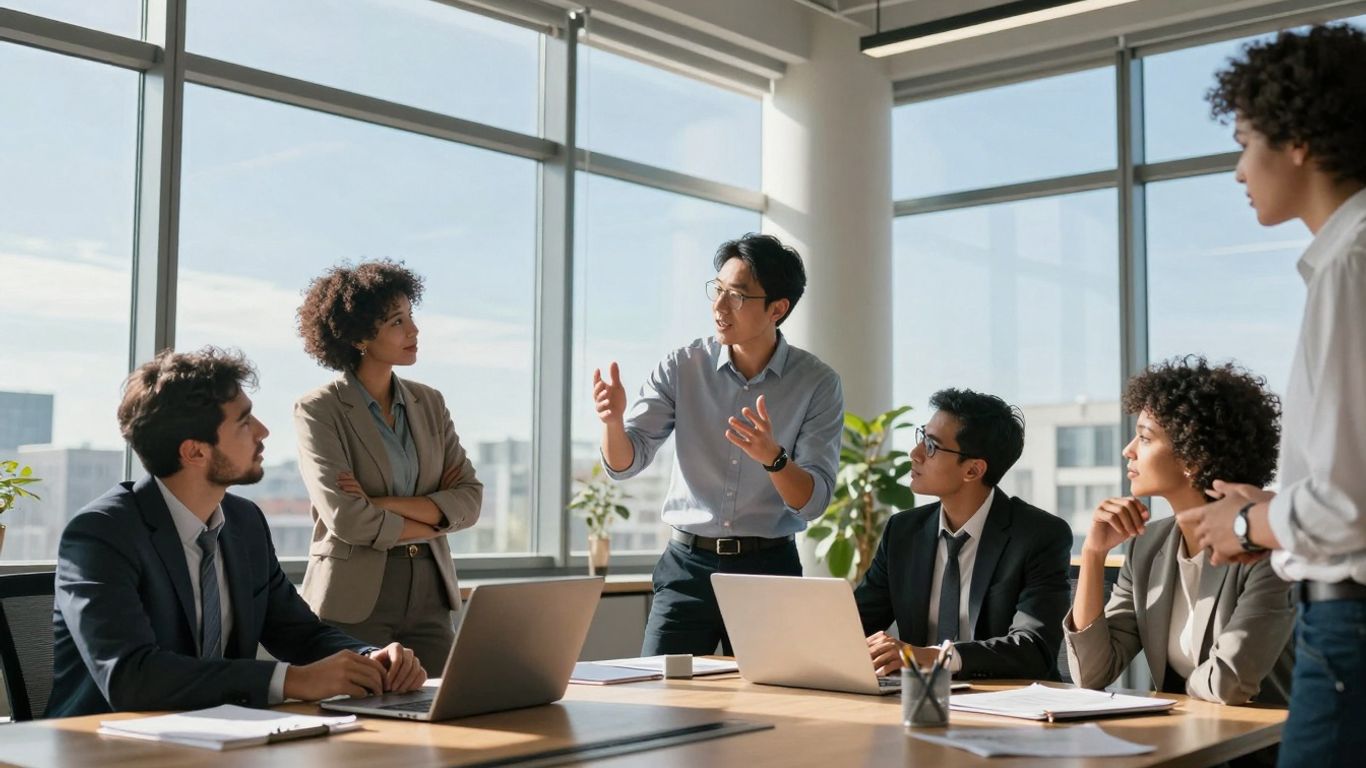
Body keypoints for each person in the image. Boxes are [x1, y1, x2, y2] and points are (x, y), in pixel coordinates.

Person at [1177, 24, 1366, 766]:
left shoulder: (1351, 265)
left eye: (1244, 141)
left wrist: (1252, 523)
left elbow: (1348, 505)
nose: (1236, 170)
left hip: (1349, 632)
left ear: (1297, 142)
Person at [50, 348, 425, 718]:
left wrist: (369, 660)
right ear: (195, 452)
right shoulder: (102, 534)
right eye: (244, 422)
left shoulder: (244, 523)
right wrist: (293, 681)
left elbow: (299, 633)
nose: (263, 431)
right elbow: (131, 676)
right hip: (104, 748)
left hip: (219, 738)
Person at [593, 233, 844, 656]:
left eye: (738, 296)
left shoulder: (817, 383)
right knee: (661, 696)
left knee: (778, 706)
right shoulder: (682, 365)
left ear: (777, 309)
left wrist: (774, 459)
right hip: (686, 567)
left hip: (770, 572)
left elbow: (813, 502)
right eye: (718, 290)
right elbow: (625, 463)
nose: (719, 306)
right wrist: (613, 422)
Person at [1065, 357, 1294, 706]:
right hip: (1187, 739)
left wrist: (1164, 701)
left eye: (1144, 438)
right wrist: (1095, 555)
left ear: (1192, 458)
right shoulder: (1147, 546)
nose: (1128, 450)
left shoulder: (1264, 548)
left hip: (1261, 751)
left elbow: (1229, 683)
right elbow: (1092, 673)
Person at [294, 260, 482, 673]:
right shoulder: (319, 410)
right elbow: (348, 520)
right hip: (354, 599)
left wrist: (383, 502)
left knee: (451, 716)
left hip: (431, 593)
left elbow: (469, 500)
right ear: (360, 335)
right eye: (397, 322)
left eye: (411, 317)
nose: (414, 331)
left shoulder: (429, 402)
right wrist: (437, 516)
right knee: (361, 725)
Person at [855, 388, 1072, 679]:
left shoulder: (1039, 536)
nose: (915, 453)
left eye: (931, 446)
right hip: (918, 701)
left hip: (1009, 706)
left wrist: (931, 657)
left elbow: (1033, 648)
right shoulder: (903, 532)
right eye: (922, 437)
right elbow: (856, 624)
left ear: (973, 470)